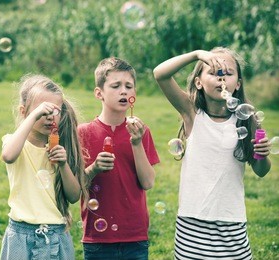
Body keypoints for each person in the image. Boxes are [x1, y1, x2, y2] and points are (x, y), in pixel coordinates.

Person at [153, 47, 272, 259]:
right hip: (192, 222)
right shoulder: (192, 113)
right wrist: (197, 54)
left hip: (231, 222)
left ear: (238, 84)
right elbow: (160, 74)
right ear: (199, 82)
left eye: (228, 73)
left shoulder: (247, 120)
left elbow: (261, 171)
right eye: (214, 72)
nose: (222, 78)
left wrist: (262, 155)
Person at [78, 57, 160, 260]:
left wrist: (137, 143)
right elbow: (76, 185)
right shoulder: (83, 132)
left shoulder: (141, 132)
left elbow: (148, 182)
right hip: (97, 238)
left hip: (135, 235)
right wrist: (94, 168)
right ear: (99, 93)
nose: (124, 91)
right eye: (116, 86)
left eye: (129, 86)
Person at [0, 74, 85, 260]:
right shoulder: (14, 143)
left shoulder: (61, 148)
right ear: (23, 112)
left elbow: (73, 196)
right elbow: (8, 156)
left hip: (56, 235)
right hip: (20, 235)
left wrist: (63, 165)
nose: (48, 117)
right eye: (41, 111)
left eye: (55, 111)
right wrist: (33, 115)